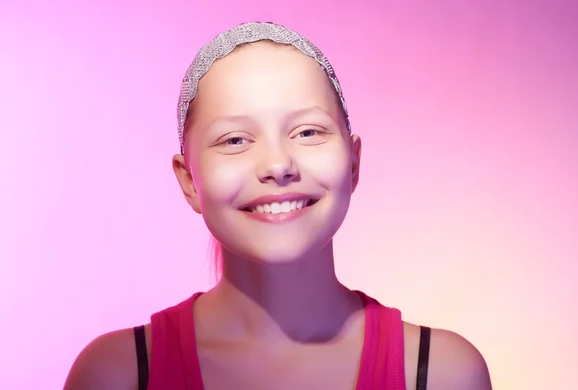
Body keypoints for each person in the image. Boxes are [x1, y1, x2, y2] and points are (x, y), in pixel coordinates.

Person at [64, 22, 492, 390]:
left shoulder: (440, 373)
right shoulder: (117, 375)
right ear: (189, 180)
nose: (277, 164)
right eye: (235, 140)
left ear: (354, 161)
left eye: (307, 132)